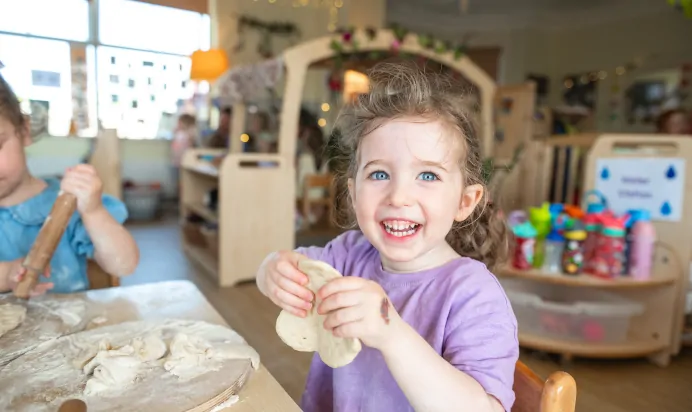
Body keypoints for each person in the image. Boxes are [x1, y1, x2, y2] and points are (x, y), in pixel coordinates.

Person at [256, 62, 518, 411]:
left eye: (427, 176)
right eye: (379, 173)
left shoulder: (473, 295)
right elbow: (289, 272)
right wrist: (271, 270)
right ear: (353, 191)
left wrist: (392, 334)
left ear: (464, 201)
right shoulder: (348, 255)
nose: (398, 196)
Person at [0, 73, 139, 295]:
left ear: (24, 131)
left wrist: (93, 212)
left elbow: (124, 264)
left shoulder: (68, 205)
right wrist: (7, 274)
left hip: (69, 327)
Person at [170, 113, 198, 195]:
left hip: (185, 160)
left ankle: (184, 196)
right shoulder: (179, 133)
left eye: (180, 122)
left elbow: (191, 144)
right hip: (177, 161)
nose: (178, 124)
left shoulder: (190, 133)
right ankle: (180, 197)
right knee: (178, 182)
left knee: (184, 182)